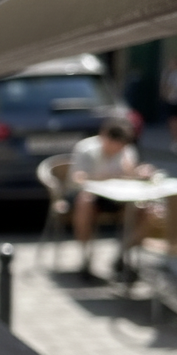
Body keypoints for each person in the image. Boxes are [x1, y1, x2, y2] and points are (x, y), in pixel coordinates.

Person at [68, 118, 150, 276]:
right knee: (84, 201)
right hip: (91, 198)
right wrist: (113, 175)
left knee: (147, 211)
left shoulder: (127, 151)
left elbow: (131, 176)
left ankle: (122, 255)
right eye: (114, 146)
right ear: (104, 137)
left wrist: (139, 173)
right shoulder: (86, 149)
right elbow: (78, 179)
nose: (116, 150)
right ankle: (86, 258)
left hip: (119, 198)